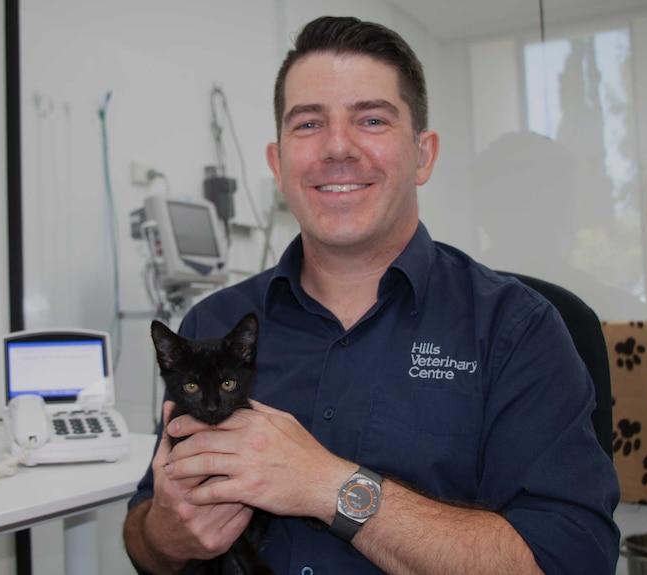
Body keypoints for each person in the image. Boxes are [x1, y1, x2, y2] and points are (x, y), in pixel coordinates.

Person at [123, 15, 620, 575]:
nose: (338, 147)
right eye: (308, 124)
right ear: (278, 164)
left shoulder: (517, 330)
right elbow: (144, 531)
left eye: (372, 119)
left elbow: (571, 558)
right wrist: (167, 532)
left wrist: (327, 485)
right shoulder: (213, 323)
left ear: (423, 155)